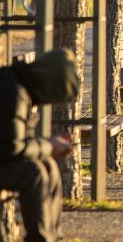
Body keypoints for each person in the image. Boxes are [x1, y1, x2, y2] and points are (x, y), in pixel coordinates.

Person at [0, 49, 80, 242]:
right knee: (34, 172)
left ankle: (51, 236)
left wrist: (46, 148)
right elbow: (13, 148)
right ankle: (40, 238)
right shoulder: (15, 93)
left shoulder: (18, 86)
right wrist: (49, 147)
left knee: (48, 166)